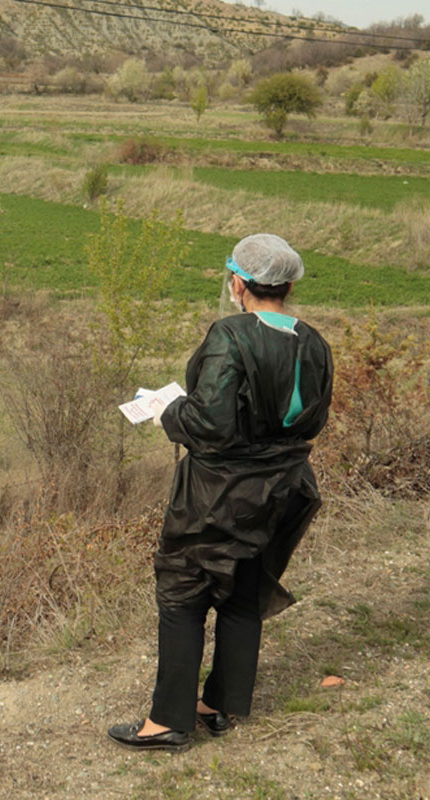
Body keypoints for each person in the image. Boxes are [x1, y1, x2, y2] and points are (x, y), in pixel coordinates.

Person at [107, 233, 333, 752]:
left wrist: (167, 409)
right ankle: (222, 704)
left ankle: (168, 722)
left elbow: (208, 422)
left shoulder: (230, 337)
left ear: (238, 282)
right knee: (244, 591)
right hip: (282, 490)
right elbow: (312, 419)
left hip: (216, 491)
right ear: (289, 284)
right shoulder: (315, 343)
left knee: (183, 593)